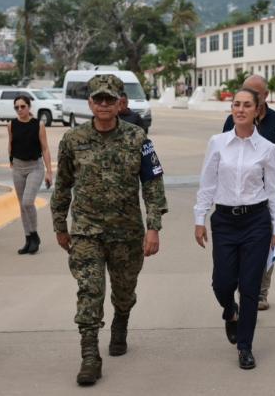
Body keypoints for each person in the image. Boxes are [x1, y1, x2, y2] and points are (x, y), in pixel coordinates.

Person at [51, 75, 168, 386]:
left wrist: (153, 227)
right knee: (90, 291)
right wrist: (60, 225)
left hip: (127, 233)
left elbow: (153, 186)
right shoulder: (73, 140)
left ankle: (121, 321)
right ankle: (90, 355)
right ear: (90, 103)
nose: (103, 104)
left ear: (120, 103)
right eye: (98, 99)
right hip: (87, 231)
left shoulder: (138, 138)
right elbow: (62, 185)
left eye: (109, 99)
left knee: (124, 290)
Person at [196, 88, 275, 370]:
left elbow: (274, 190)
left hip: (256, 222)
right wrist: (200, 218)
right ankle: (229, 310)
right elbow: (207, 182)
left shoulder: (268, 149)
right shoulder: (218, 143)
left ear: (257, 110)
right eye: (236, 104)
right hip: (223, 221)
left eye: (247, 105)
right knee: (222, 283)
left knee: (249, 287)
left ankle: (245, 346)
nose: (240, 109)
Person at [222, 75, 275, 311]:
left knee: (269, 242)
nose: (246, 99)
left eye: (254, 94)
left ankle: (260, 291)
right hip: (240, 192)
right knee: (240, 242)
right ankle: (242, 286)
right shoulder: (231, 121)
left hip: (270, 191)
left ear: (265, 97)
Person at [8, 94, 53, 255]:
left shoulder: (38, 125)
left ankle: (34, 235)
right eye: (17, 107)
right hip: (18, 167)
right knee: (22, 205)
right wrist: (11, 161)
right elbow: (11, 143)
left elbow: (45, 148)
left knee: (28, 202)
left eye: (22, 106)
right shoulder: (11, 124)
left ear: (29, 107)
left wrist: (49, 171)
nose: (19, 110)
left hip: (35, 166)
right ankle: (28, 239)